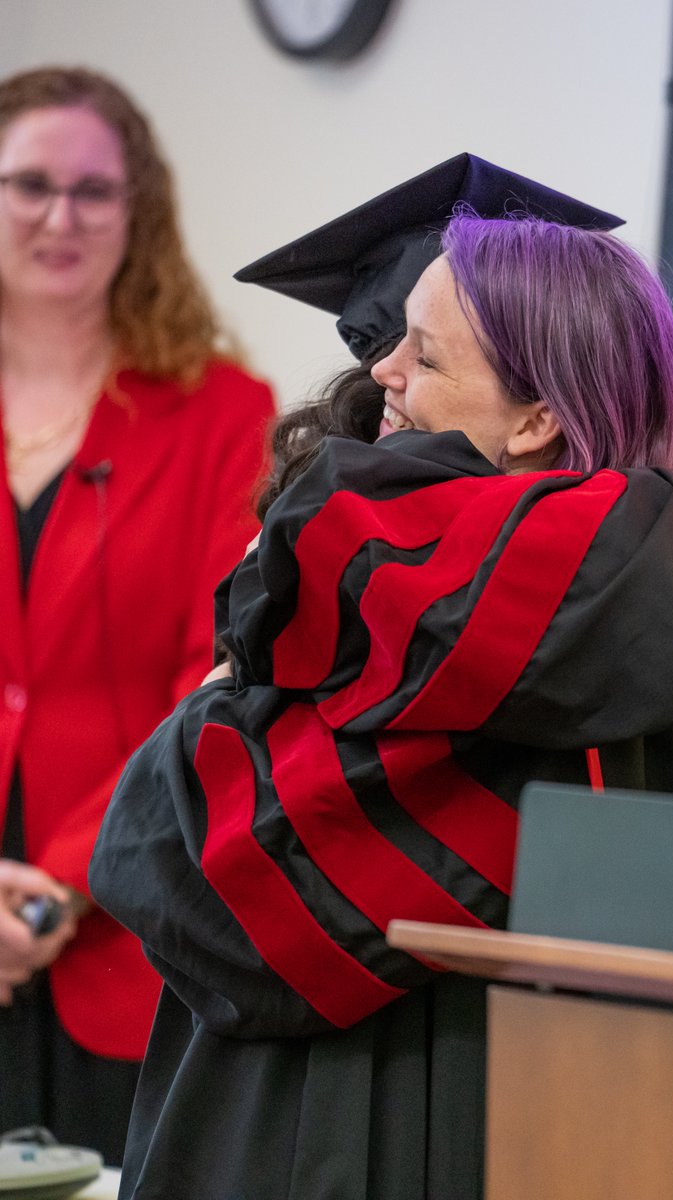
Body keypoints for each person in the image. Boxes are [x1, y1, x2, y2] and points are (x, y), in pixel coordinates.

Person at [91, 163, 673, 1200]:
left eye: (422, 350)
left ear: (537, 418)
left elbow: (154, 852)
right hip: (585, 1137)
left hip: (278, 1141)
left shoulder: (340, 607)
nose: (383, 370)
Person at [0, 65, 274, 1164]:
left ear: (139, 211)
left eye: (94, 191)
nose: (60, 217)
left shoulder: (223, 416)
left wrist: (51, 890)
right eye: (28, 184)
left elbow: (212, 677)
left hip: (120, 922)